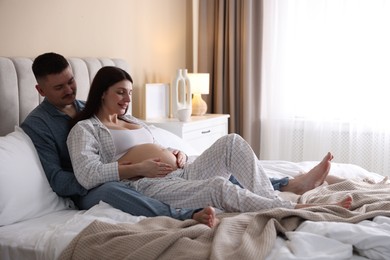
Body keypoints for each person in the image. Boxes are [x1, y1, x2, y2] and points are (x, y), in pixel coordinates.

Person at [67, 66, 352, 213]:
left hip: (182, 170)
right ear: (102, 92)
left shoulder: (134, 121)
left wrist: (175, 153)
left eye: (130, 92)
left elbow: (155, 146)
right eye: (120, 92)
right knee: (218, 187)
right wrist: (139, 169)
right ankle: (294, 208)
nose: (127, 99)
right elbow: (87, 175)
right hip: (149, 184)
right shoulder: (86, 130)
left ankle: (270, 201)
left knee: (232, 141)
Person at [21, 52, 218, 228]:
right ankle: (185, 215)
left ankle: (234, 193)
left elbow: (137, 140)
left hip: (127, 172)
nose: (69, 90)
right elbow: (57, 179)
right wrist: (111, 173)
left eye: (71, 81)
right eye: (59, 87)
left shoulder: (89, 107)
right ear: (41, 91)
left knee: (210, 161)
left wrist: (173, 152)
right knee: (111, 190)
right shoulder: (38, 124)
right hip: (90, 188)